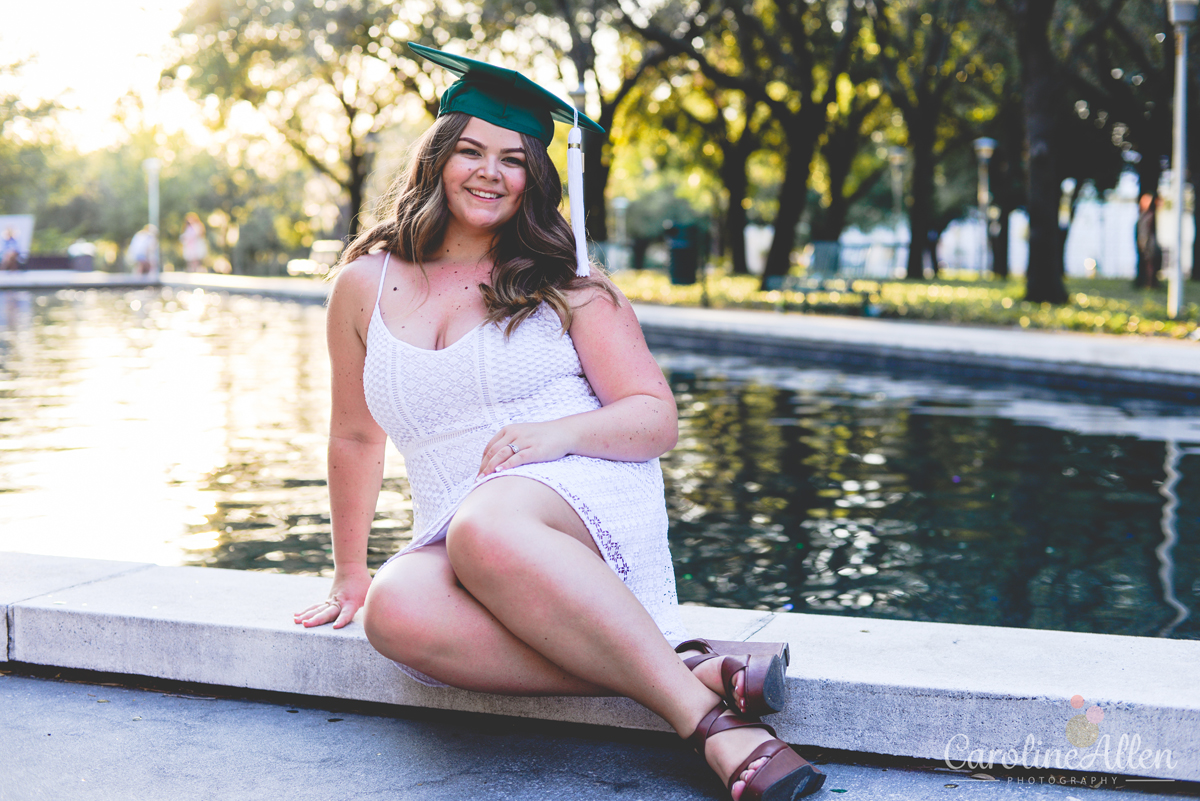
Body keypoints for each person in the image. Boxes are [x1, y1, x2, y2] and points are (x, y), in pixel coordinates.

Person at [293, 43, 824, 801]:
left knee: (487, 523)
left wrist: (557, 435)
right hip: (458, 519)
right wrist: (350, 570)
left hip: (579, 496)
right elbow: (353, 434)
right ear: (436, 159)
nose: (489, 172)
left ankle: (713, 729)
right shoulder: (362, 286)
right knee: (395, 609)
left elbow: (655, 417)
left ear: (534, 178)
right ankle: (691, 668)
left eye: (512, 158)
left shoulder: (567, 282)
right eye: (470, 150)